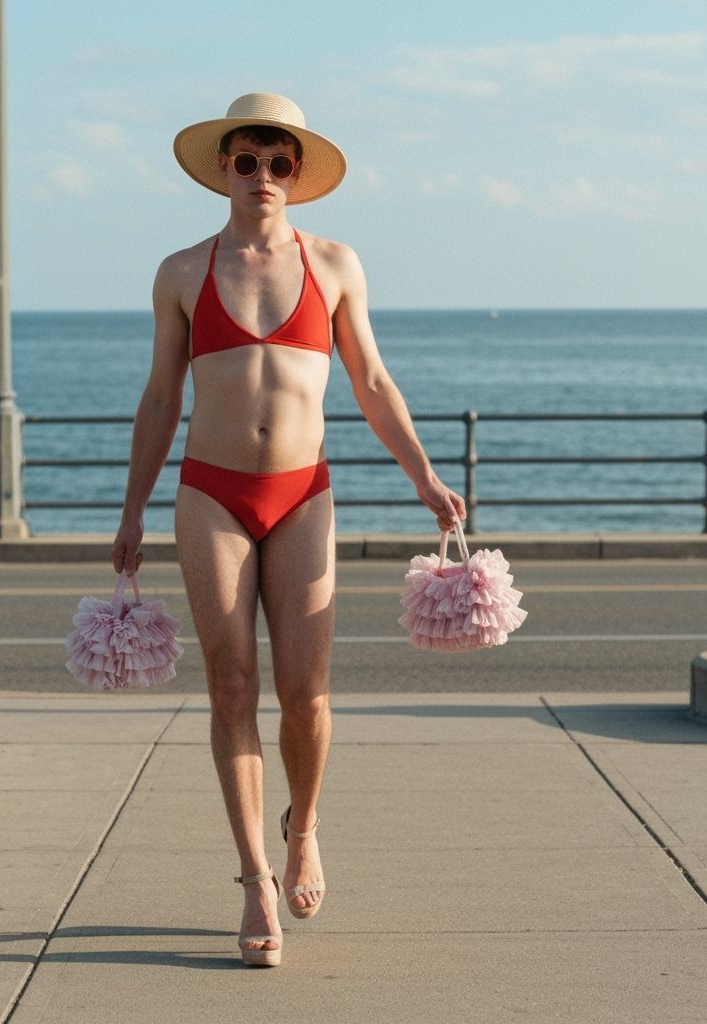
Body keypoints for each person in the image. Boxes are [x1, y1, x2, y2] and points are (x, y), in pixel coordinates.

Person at [111, 93, 466, 968]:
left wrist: (423, 473)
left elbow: (372, 382)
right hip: (210, 494)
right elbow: (161, 398)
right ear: (222, 169)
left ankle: (303, 827)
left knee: (306, 697)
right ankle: (254, 879)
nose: (263, 174)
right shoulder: (182, 272)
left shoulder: (337, 264)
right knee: (231, 688)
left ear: (296, 175)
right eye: (247, 160)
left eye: (279, 161)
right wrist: (131, 509)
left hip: (304, 494)